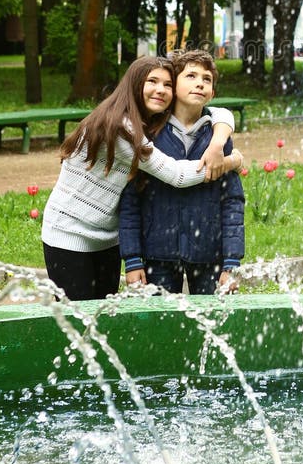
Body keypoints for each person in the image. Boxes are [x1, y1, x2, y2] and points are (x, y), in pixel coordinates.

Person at [41, 55, 243, 301]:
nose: (161, 89)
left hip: (107, 237)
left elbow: (221, 113)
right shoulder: (122, 129)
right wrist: (231, 161)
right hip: (70, 233)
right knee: (76, 318)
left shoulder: (152, 124)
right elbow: (176, 175)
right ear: (134, 84)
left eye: (167, 84)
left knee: (103, 318)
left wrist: (219, 141)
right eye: (152, 82)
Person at [119, 50, 245, 295]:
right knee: (162, 326)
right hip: (158, 254)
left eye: (206, 79)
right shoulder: (150, 135)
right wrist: (132, 258)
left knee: (215, 323)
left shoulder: (218, 139)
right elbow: (131, 200)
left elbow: (232, 202)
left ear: (212, 93)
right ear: (174, 86)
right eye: (191, 76)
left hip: (209, 254)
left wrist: (232, 261)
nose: (200, 82)